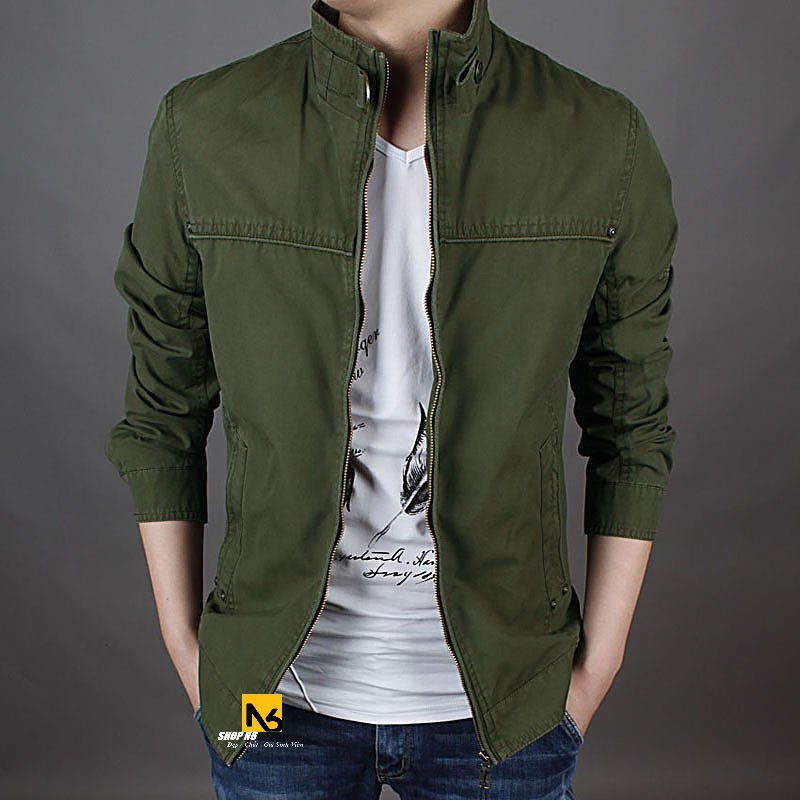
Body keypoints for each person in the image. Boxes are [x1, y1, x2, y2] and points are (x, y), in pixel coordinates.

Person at [104, 1, 678, 797]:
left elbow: (631, 425)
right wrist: (188, 651)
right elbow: (162, 409)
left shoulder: (598, 136)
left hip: (505, 714)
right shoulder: (203, 126)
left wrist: (598, 664)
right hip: (268, 704)